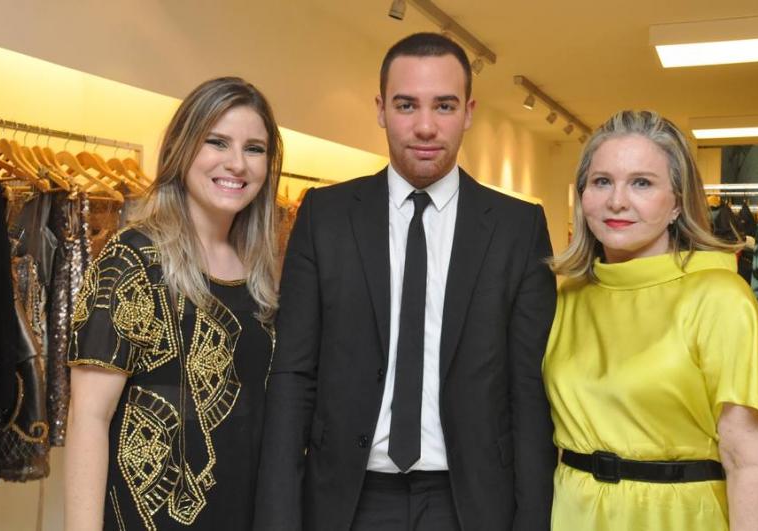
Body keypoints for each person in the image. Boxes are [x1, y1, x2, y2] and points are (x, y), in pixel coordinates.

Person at [255, 32, 556, 531]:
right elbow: (293, 375)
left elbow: (528, 390)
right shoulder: (325, 216)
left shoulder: (517, 228)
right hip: (349, 500)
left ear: (468, 112)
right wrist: (278, 517)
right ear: (381, 109)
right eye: (406, 104)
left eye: (444, 105)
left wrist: (533, 520)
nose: (425, 126)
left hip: (471, 504)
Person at [544, 110, 758, 530]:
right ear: (582, 196)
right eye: (602, 181)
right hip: (574, 513)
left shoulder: (721, 297)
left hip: (678, 517)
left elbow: (747, 464)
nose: (617, 201)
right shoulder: (566, 298)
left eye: (642, 182)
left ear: (677, 202)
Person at [64, 76, 283, 530]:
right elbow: (89, 416)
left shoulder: (262, 274)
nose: (237, 163)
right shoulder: (133, 259)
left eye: (254, 149)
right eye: (217, 142)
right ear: (182, 148)